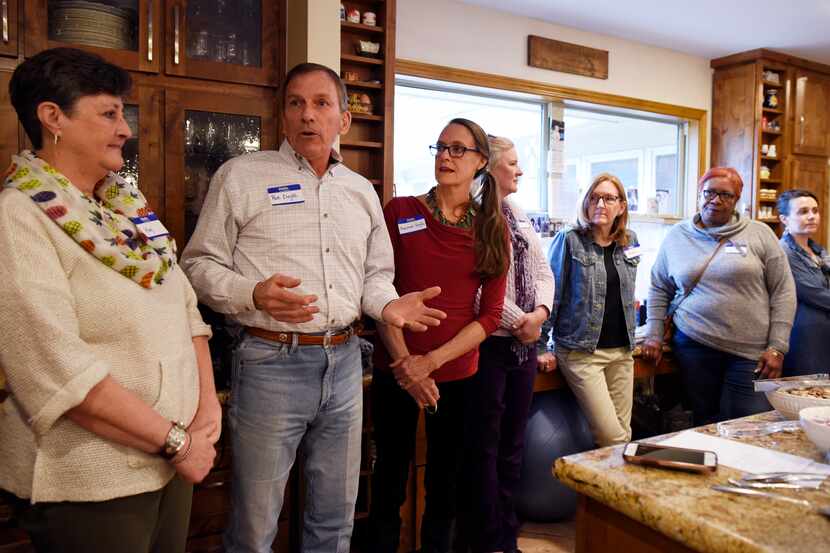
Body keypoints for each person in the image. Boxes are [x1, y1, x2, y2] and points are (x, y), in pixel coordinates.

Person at [179, 62, 446, 553]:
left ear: (343, 119)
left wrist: (389, 306)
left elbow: (374, 278)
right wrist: (253, 293)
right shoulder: (240, 176)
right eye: (296, 103)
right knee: (255, 525)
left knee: (334, 519)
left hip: (345, 364)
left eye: (322, 103)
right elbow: (196, 265)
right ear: (282, 117)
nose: (308, 115)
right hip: (267, 363)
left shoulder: (362, 192)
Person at [0, 47, 218, 553]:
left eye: (123, 113)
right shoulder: (20, 217)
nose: (125, 129)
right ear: (53, 117)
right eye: (109, 113)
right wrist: (176, 439)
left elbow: (188, 313)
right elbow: (58, 371)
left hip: (176, 458)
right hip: (91, 479)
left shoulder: (123, 206)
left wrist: (206, 413)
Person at [367, 118, 509, 553]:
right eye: (441, 147)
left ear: (481, 161)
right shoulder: (401, 211)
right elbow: (377, 290)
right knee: (387, 481)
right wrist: (407, 365)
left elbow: (490, 316)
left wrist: (430, 363)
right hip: (394, 369)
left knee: (445, 485)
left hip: (456, 377)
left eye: (458, 149)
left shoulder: (491, 227)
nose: (445, 156)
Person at [641, 167, 796, 425]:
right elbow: (659, 287)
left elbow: (784, 290)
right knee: (705, 423)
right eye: (709, 192)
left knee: (749, 424)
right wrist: (653, 334)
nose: (715, 200)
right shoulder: (677, 236)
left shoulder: (759, 234)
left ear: (736, 200)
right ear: (699, 194)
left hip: (752, 353)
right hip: (694, 346)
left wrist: (777, 346)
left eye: (725, 195)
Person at [460, 135, 554, 553]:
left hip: (526, 348)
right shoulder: (473, 216)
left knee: (514, 445)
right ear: (491, 166)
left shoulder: (517, 212)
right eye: (513, 163)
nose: (519, 170)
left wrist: (540, 315)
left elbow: (542, 271)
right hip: (491, 347)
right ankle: (485, 538)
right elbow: (474, 289)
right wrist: (520, 322)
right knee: (485, 447)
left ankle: (507, 535)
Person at [546, 173, 639, 447]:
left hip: (622, 351)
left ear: (621, 206)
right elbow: (552, 293)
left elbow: (628, 293)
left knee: (623, 435)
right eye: (594, 197)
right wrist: (542, 345)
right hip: (582, 352)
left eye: (609, 198)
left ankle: (609, 489)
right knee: (613, 437)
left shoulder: (630, 240)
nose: (601, 204)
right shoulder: (569, 239)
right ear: (585, 203)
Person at [777, 189, 830, 376]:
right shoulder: (782, 252)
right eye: (803, 212)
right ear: (784, 219)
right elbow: (812, 292)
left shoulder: (818, 250)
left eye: (815, 211)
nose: (812, 216)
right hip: (804, 336)